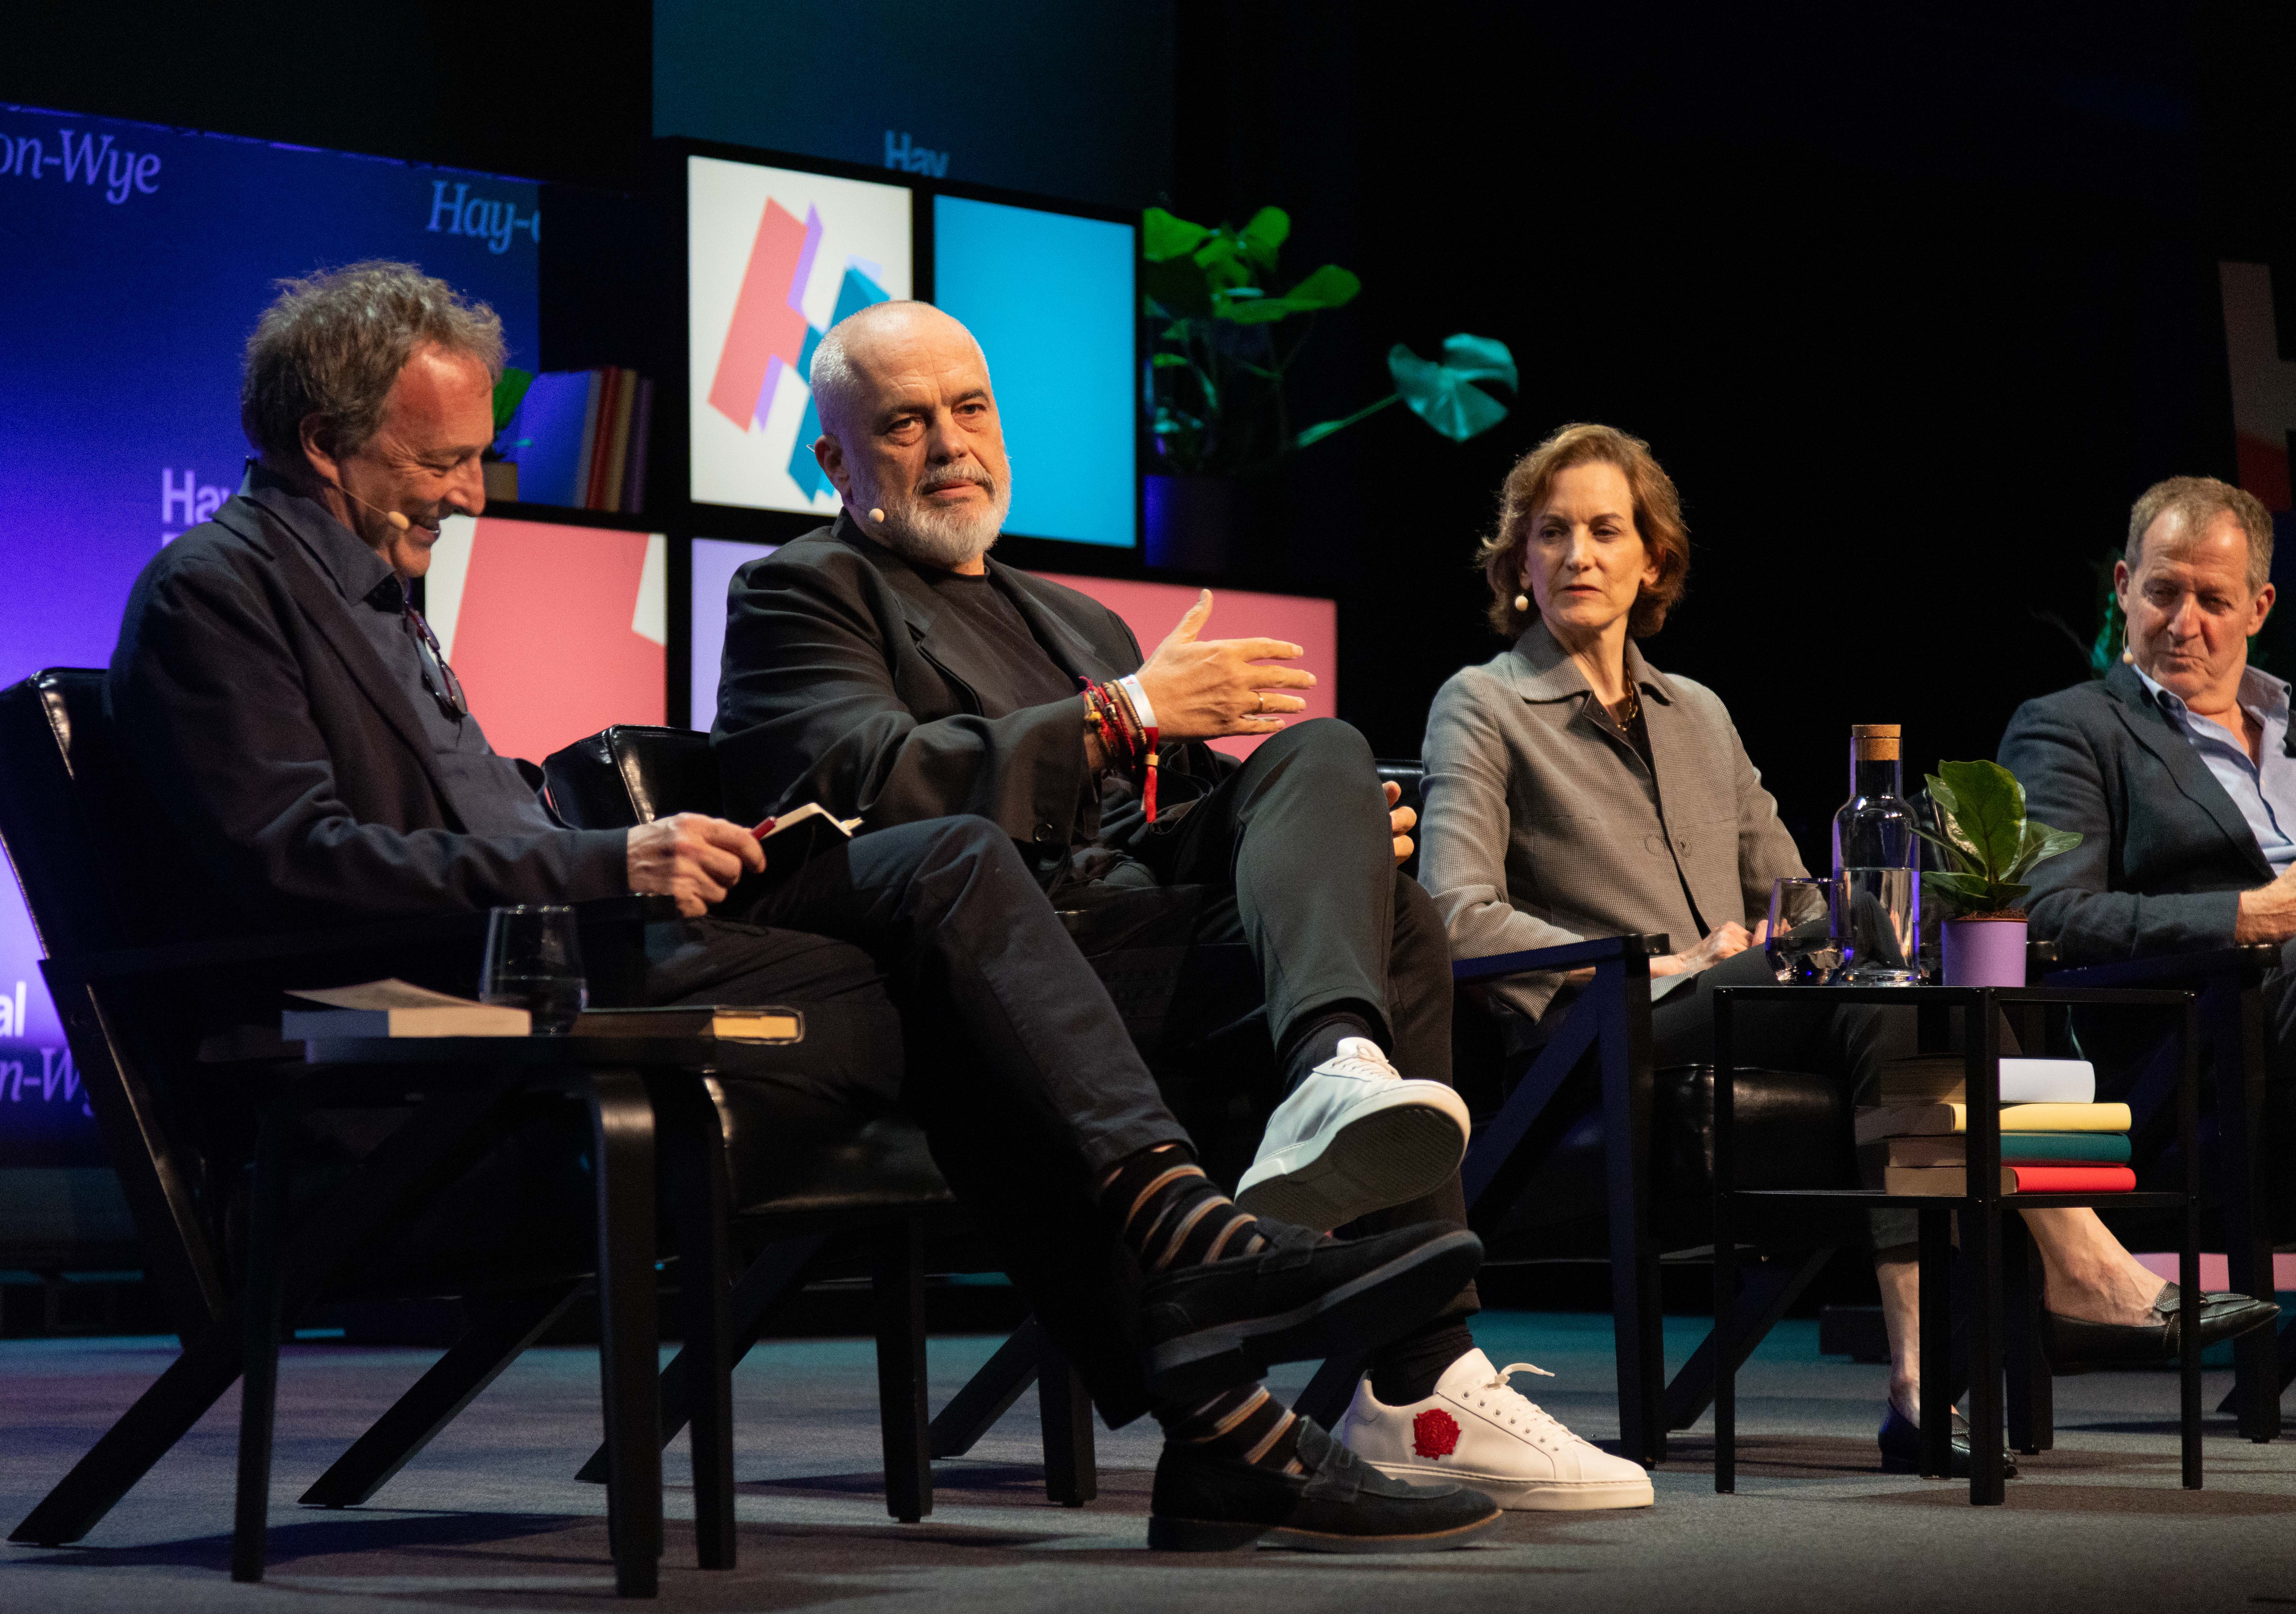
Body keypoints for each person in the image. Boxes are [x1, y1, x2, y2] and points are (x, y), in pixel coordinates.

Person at [107, 261, 1502, 1554]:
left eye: (476, 458)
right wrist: (608, 865)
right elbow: (294, 860)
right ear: (320, 444)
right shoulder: (217, 593)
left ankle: (1229, 1383)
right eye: (443, 462)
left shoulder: (370, 591)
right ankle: (1207, 1315)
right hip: (432, 1052)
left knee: (976, 945)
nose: (474, 495)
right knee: (950, 886)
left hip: (563, 982)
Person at [711, 298, 1649, 1510]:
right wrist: (1124, 712)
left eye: (971, 407)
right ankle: (1368, 1375)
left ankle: (1372, 1195)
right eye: (904, 420)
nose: (950, 442)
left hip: (1124, 939)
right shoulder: (802, 591)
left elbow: (1164, 825)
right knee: (1353, 871)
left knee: (1331, 778)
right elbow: (866, 784)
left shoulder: (1075, 616)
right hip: (990, 969)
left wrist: (1330, 837)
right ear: (835, 459)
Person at [1418, 423, 2278, 1477]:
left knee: (1900, 976)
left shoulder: (1699, 714)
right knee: (1886, 973)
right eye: (1550, 532)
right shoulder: (1483, 701)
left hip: (1743, 1006)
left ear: (1652, 558)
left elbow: (1815, 909)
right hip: (1596, 1024)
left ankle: (1922, 1381)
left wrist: (1797, 930)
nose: (1577, 554)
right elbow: (1456, 912)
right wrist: (1660, 955)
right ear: (1516, 558)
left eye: (1606, 529)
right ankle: (2080, 1259)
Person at [2000, 474, 2296, 1104]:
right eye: (2162, 593)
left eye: (2213, 602)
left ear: (2258, 608)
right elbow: (2049, 914)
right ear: (2123, 587)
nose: (2182, 624)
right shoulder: (2071, 727)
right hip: (2230, 1008)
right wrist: (2255, 914)